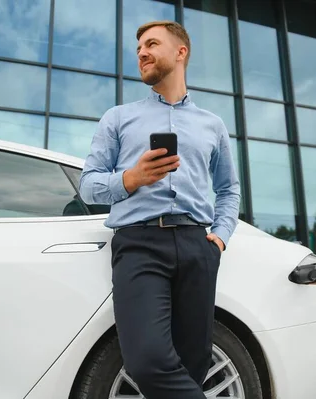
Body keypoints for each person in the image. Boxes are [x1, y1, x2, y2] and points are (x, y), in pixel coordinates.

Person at [79, 20, 240, 399]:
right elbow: (88, 185)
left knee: (194, 364)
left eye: (151, 44)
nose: (141, 54)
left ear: (180, 52)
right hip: (139, 245)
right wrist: (132, 178)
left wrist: (219, 239)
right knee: (147, 361)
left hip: (197, 246)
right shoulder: (118, 118)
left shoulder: (212, 125)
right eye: (138, 50)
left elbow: (229, 190)